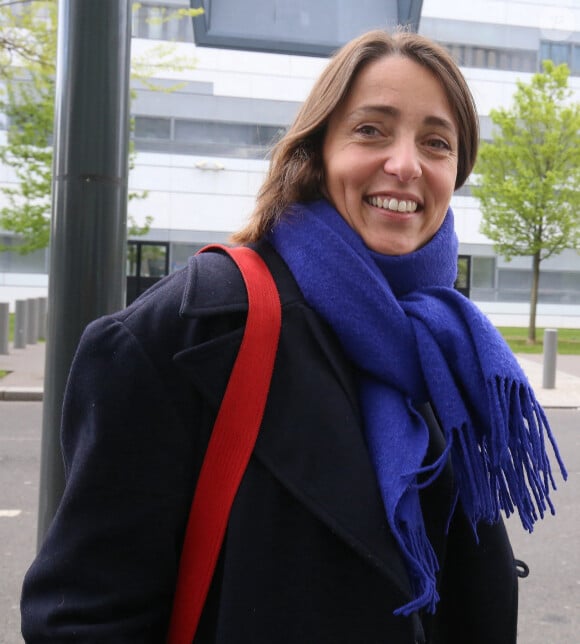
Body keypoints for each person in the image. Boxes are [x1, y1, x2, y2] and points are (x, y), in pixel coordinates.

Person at [21, 29, 566, 643]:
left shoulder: (444, 346)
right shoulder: (180, 332)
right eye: (371, 130)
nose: (406, 164)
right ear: (316, 152)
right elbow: (82, 620)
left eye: (436, 143)